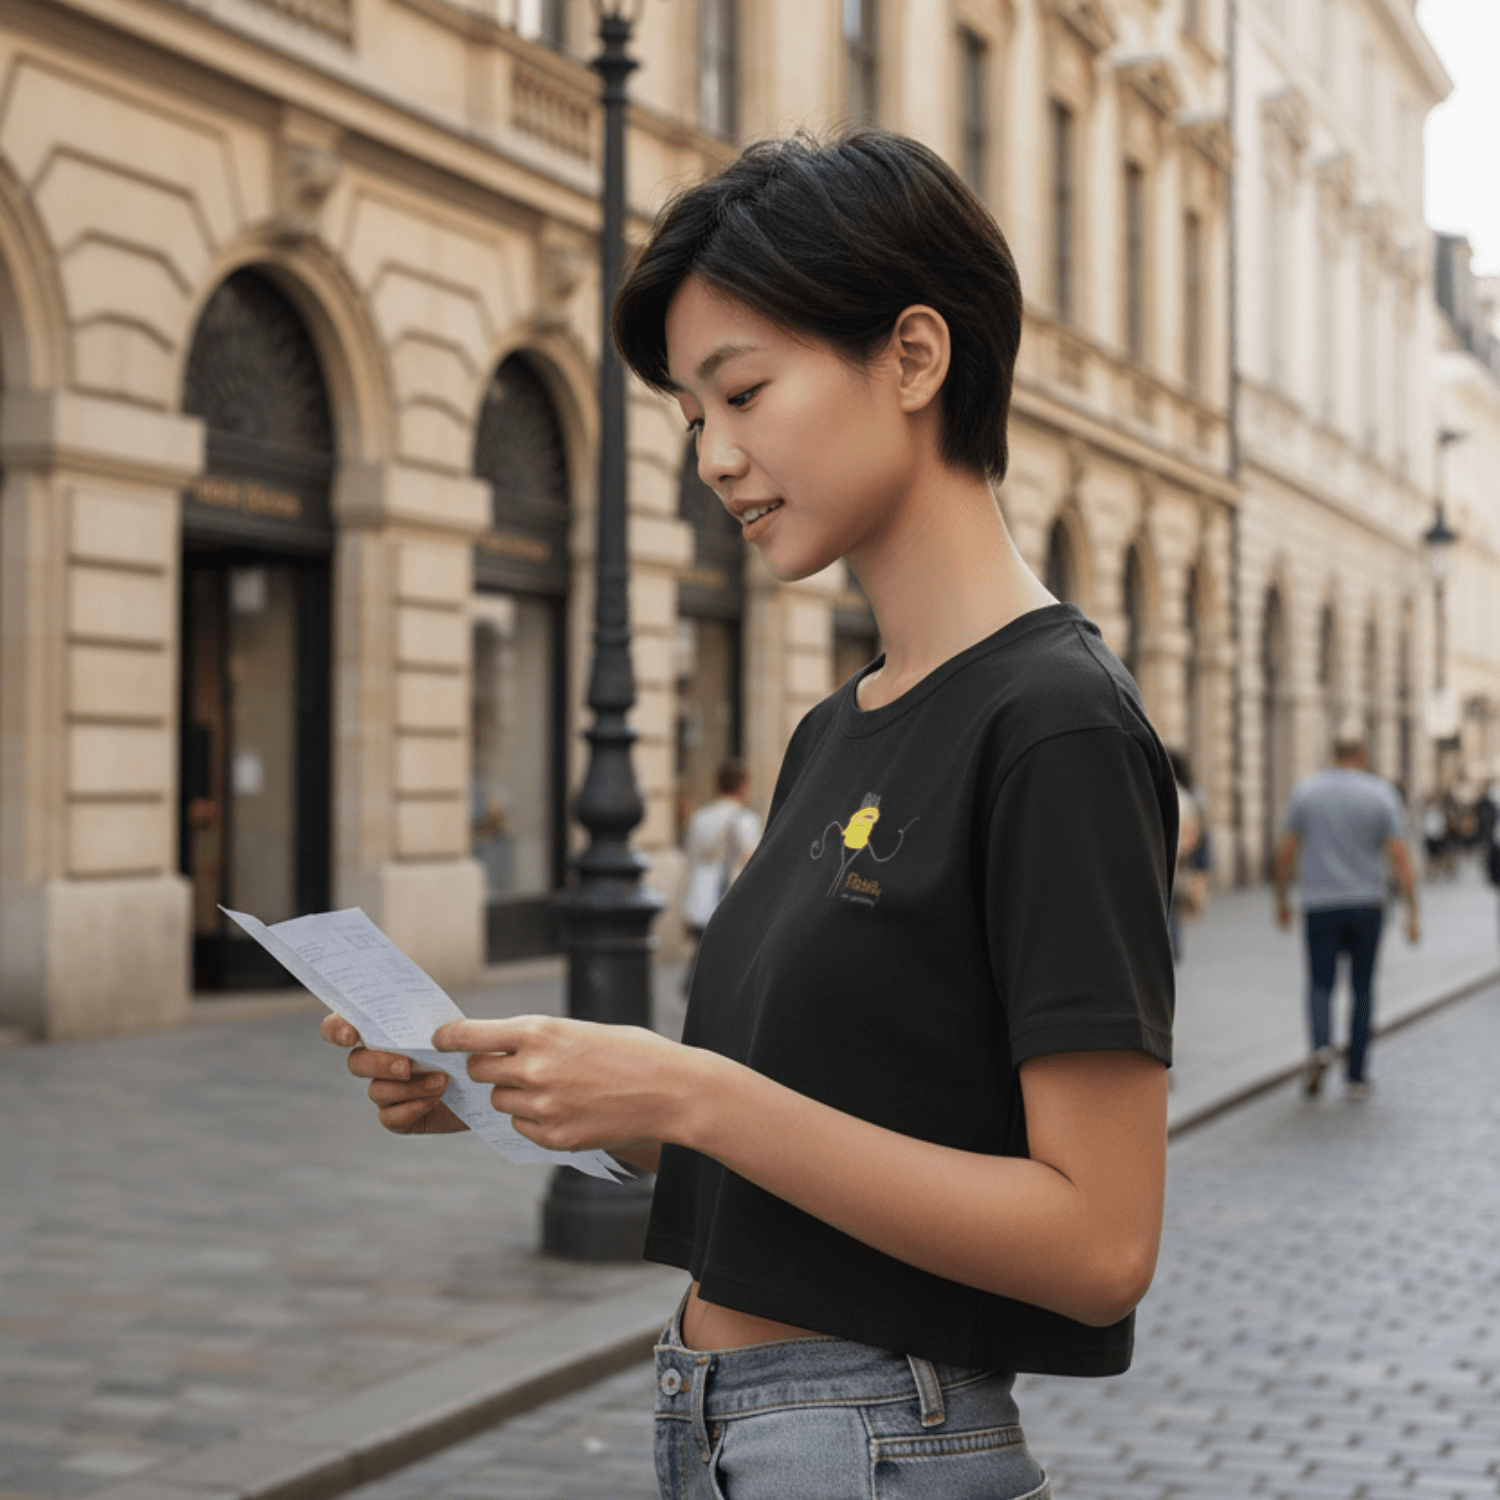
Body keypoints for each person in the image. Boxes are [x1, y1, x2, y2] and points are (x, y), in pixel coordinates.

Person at [322, 132, 1176, 1500]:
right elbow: (818, 1129)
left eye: (746, 391)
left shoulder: (1053, 723)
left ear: (913, 356)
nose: (715, 458)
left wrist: (695, 1090)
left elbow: (1098, 1246)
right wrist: (539, 1089)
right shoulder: (834, 730)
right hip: (727, 1427)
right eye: (690, 418)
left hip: (878, 1443)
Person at [1273, 734, 1419, 1099]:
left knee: (1320, 983)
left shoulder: (1306, 792)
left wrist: (1281, 897)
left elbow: (1287, 849)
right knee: (1362, 987)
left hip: (1319, 904)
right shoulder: (1382, 793)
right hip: (1367, 903)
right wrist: (1413, 910)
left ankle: (1321, 1046)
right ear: (1363, 755)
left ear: (1333, 755)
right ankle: (1356, 1075)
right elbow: (1400, 855)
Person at [680, 764, 760, 992]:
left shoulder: (699, 817)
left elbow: (691, 858)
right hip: (727, 895)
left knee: (703, 949)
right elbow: (750, 859)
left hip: (699, 894)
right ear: (743, 786)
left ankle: (698, 988)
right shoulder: (745, 819)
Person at [1166, 748, 1211, 963]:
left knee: (1169, 903)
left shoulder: (1169, 793)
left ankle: (1170, 947)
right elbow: (1199, 834)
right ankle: (1174, 947)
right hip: (1183, 859)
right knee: (1174, 905)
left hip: (1171, 857)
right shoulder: (1191, 793)